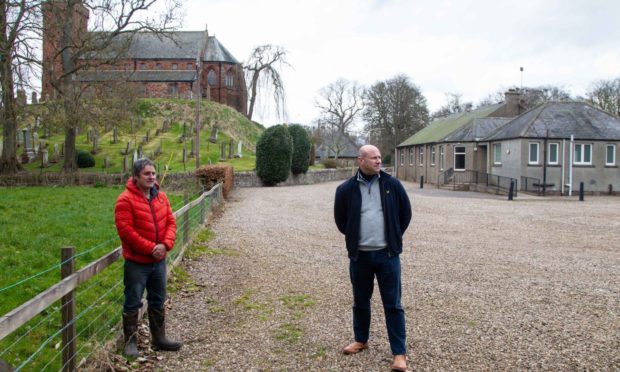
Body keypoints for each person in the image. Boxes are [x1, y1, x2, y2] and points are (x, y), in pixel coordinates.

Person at [334, 145, 412, 372]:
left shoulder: (392, 185)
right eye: (374, 157)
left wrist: (393, 235)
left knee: (393, 305)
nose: (379, 161)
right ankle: (361, 340)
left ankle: (399, 354)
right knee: (360, 301)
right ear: (361, 161)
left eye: (379, 156)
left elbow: (405, 214)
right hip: (360, 256)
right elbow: (341, 221)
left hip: (388, 255)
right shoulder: (345, 189)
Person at [115, 158, 182, 357]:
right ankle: (130, 343)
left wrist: (165, 245)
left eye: (153, 173)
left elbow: (171, 222)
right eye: (147, 174)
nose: (151, 177)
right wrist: (151, 248)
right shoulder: (125, 200)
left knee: (158, 299)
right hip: (137, 263)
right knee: (133, 301)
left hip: (158, 262)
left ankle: (159, 339)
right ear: (136, 177)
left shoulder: (161, 197)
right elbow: (126, 231)